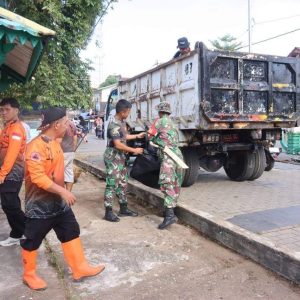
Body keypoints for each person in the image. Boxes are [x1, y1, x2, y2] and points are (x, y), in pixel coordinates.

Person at [21, 107, 105, 291]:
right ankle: (29, 274)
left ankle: (79, 268)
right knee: (32, 239)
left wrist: (65, 185)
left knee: (71, 230)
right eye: (66, 122)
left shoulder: (54, 142)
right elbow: (37, 177)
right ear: (57, 124)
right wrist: (64, 191)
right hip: (39, 206)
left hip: (58, 204)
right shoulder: (35, 147)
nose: (68, 126)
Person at [104, 99, 145, 222]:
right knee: (112, 184)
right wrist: (134, 150)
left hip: (121, 157)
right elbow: (117, 144)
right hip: (113, 157)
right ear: (123, 112)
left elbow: (123, 137)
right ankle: (108, 212)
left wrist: (137, 136)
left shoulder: (121, 122)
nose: (128, 114)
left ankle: (123, 208)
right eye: (128, 112)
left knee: (122, 183)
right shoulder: (114, 124)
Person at [150, 102, 183, 230]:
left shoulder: (159, 121)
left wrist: (153, 140)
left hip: (168, 156)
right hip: (178, 156)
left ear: (160, 112)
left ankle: (169, 216)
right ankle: (172, 213)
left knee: (167, 184)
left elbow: (149, 135)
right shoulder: (174, 123)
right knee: (175, 184)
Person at [0, 98, 26, 247]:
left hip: (13, 171)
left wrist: (2, 174)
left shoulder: (16, 129)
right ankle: (18, 233)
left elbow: (12, 153)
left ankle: (26, 232)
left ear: (16, 110)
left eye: (7, 109)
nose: (3, 112)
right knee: (10, 204)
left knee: (10, 204)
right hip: (6, 170)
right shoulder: (7, 127)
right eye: (2, 110)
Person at [60, 118, 78, 191]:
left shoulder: (60, 124)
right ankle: (68, 193)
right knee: (69, 173)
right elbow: (75, 137)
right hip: (70, 152)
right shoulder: (72, 124)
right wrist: (73, 149)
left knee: (59, 172)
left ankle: (61, 194)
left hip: (62, 152)